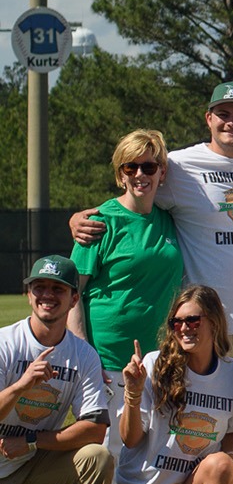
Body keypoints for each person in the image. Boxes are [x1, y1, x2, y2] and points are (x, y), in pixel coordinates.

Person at [75, 82, 233, 378]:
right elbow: (133, 193)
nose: (232, 123)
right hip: (202, 323)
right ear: (208, 118)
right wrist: (78, 219)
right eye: (223, 113)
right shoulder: (180, 166)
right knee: (198, 418)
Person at [115, 285, 233, 484]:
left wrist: (229, 468)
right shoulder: (153, 364)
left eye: (193, 320)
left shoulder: (231, 371)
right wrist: (132, 395)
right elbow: (130, 440)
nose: (184, 328)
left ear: (214, 321)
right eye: (177, 322)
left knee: (223, 464)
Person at [0, 256, 113, 484]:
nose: (47, 295)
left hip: (36, 463)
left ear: (73, 299)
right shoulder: (5, 343)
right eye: (40, 287)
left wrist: (33, 443)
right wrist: (22, 386)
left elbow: (95, 426)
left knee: (98, 456)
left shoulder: (83, 355)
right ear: (29, 294)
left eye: (57, 289)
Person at [69, 130, 184, 401]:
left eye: (149, 166)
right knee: (108, 444)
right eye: (130, 167)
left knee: (155, 443)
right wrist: (85, 356)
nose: (140, 174)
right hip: (108, 361)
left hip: (161, 359)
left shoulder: (172, 218)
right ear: (121, 175)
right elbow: (71, 295)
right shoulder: (99, 222)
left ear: (162, 173)